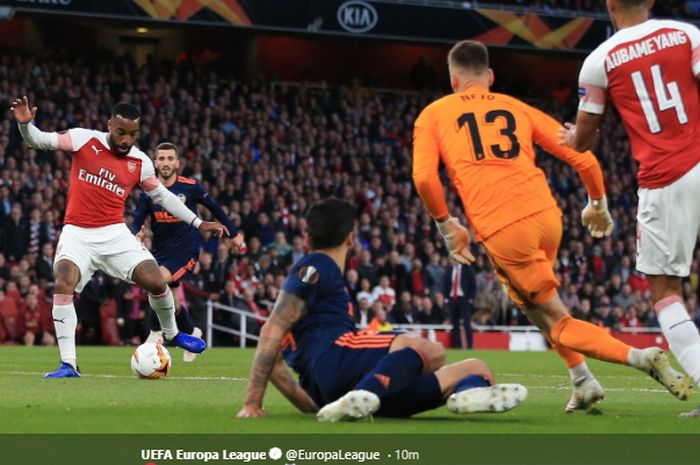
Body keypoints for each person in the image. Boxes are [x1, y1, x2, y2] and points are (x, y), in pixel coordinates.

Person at [412, 40, 692, 413]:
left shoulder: (434, 114)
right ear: (490, 76)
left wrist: (448, 227)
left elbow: (425, 178)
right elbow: (582, 156)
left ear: (453, 79)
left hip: (504, 226)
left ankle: (642, 358)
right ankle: (582, 380)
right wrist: (598, 205)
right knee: (527, 304)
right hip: (546, 217)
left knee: (556, 320)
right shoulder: (517, 108)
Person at [237, 198, 527, 421]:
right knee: (428, 350)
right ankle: (367, 393)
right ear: (351, 237)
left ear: (308, 234)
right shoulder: (316, 265)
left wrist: (314, 405)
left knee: (476, 368)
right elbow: (271, 329)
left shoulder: (313, 296)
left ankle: (465, 394)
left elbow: (274, 363)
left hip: (333, 385)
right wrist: (252, 403)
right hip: (339, 355)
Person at [11, 97, 226, 378]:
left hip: (114, 233)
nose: (126, 139)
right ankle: (68, 364)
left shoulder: (140, 162)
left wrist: (197, 222)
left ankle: (172, 334)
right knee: (64, 280)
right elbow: (38, 140)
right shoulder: (83, 139)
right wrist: (25, 125)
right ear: (109, 124)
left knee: (156, 280)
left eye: (132, 134)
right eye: (121, 132)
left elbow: (163, 196)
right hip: (77, 232)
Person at [561, 0, 700, 417]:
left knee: (665, 292)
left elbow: (584, 138)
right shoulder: (687, 34)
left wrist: (572, 139)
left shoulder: (599, 60)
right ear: (651, 2)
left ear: (609, 4)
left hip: (666, 178)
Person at [131, 142, 244, 362]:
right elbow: (137, 220)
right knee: (171, 303)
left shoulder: (191, 187)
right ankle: (192, 332)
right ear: (155, 162)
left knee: (155, 281)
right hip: (160, 253)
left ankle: (156, 332)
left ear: (177, 163)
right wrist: (135, 234)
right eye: (161, 159)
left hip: (186, 252)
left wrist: (234, 233)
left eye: (169, 158)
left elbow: (216, 208)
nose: (165, 163)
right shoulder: (149, 191)